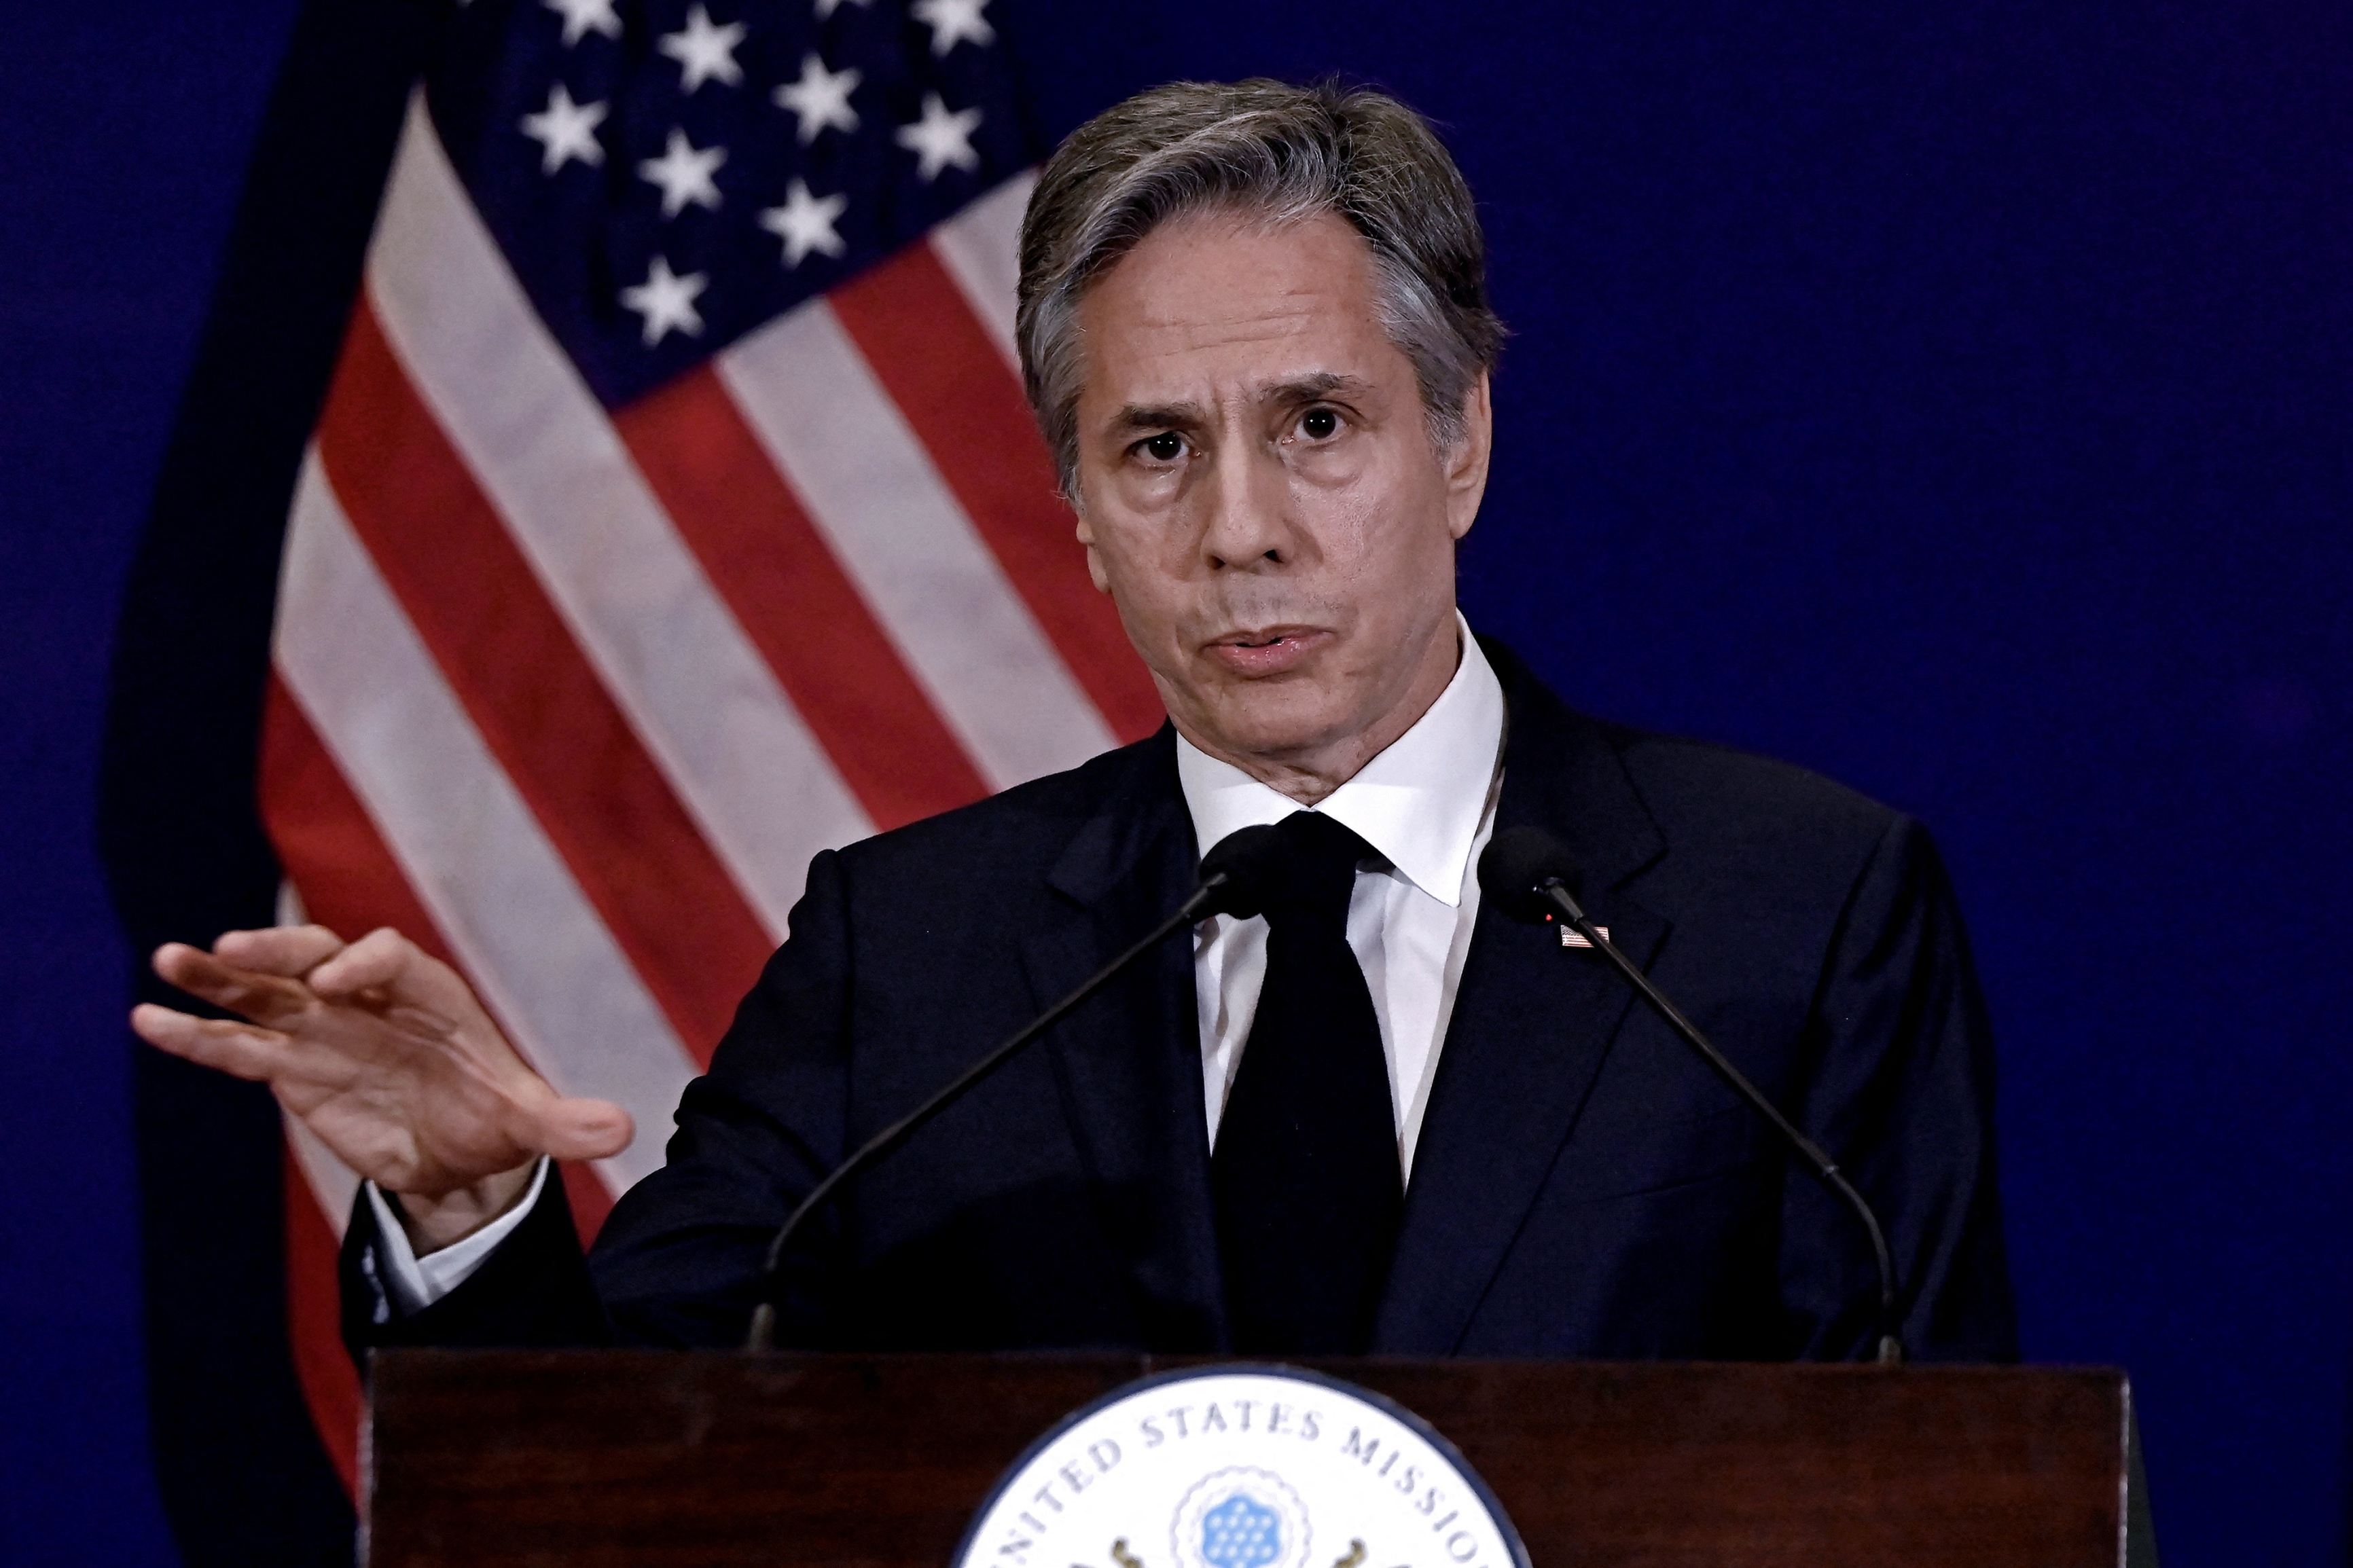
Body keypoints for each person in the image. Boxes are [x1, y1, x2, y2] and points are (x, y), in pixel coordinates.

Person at [133, 79, 2015, 1362]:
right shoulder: (912, 955)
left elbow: (1936, 1487)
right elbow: (631, 1472)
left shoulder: (1793, 914)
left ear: (1461, 446)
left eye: (1319, 426)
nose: (1241, 529)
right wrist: (474, 1209)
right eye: (1158, 449)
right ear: (1084, 521)